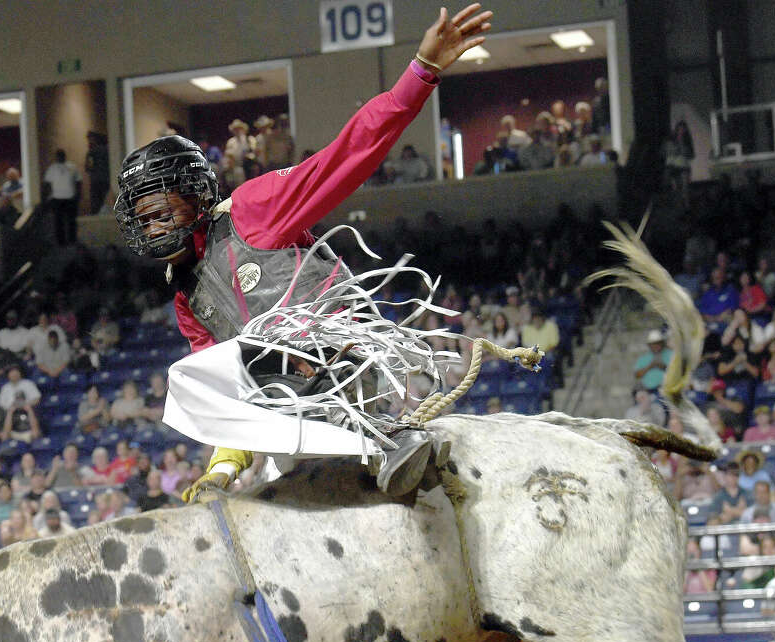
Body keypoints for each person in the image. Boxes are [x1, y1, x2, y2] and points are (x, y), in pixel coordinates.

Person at [113, 4, 494, 498]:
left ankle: (390, 438)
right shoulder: (188, 302)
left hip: (344, 362)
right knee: (190, 379)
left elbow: (347, 155)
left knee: (270, 353)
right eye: (144, 217)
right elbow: (228, 392)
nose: (155, 224)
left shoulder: (251, 210)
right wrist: (223, 469)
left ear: (196, 195)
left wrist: (421, 72)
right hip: (286, 412)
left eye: (163, 208)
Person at [43, 149, 81, 245]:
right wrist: (47, 196)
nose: (60, 157)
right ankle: (61, 242)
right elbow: (47, 183)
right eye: (58, 155)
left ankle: (72, 240)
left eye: (61, 155)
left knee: (71, 220)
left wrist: (78, 195)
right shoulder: (52, 168)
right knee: (58, 221)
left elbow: (78, 181)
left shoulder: (72, 167)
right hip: (56, 198)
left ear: (64, 156)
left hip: (70, 197)